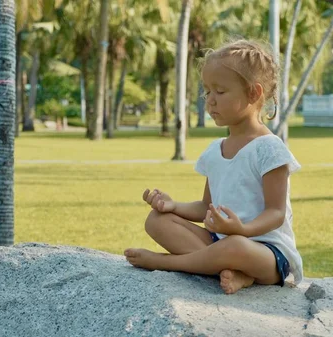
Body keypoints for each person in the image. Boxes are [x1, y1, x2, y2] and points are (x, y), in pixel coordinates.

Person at [124, 39, 303, 294]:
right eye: (207, 91)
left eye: (220, 92)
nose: (210, 101)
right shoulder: (214, 150)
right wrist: (173, 206)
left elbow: (276, 213)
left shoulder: (269, 149)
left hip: (265, 252)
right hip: (219, 243)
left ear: (254, 93)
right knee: (156, 221)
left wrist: (242, 229)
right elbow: (205, 207)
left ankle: (166, 263)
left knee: (235, 248)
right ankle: (234, 273)